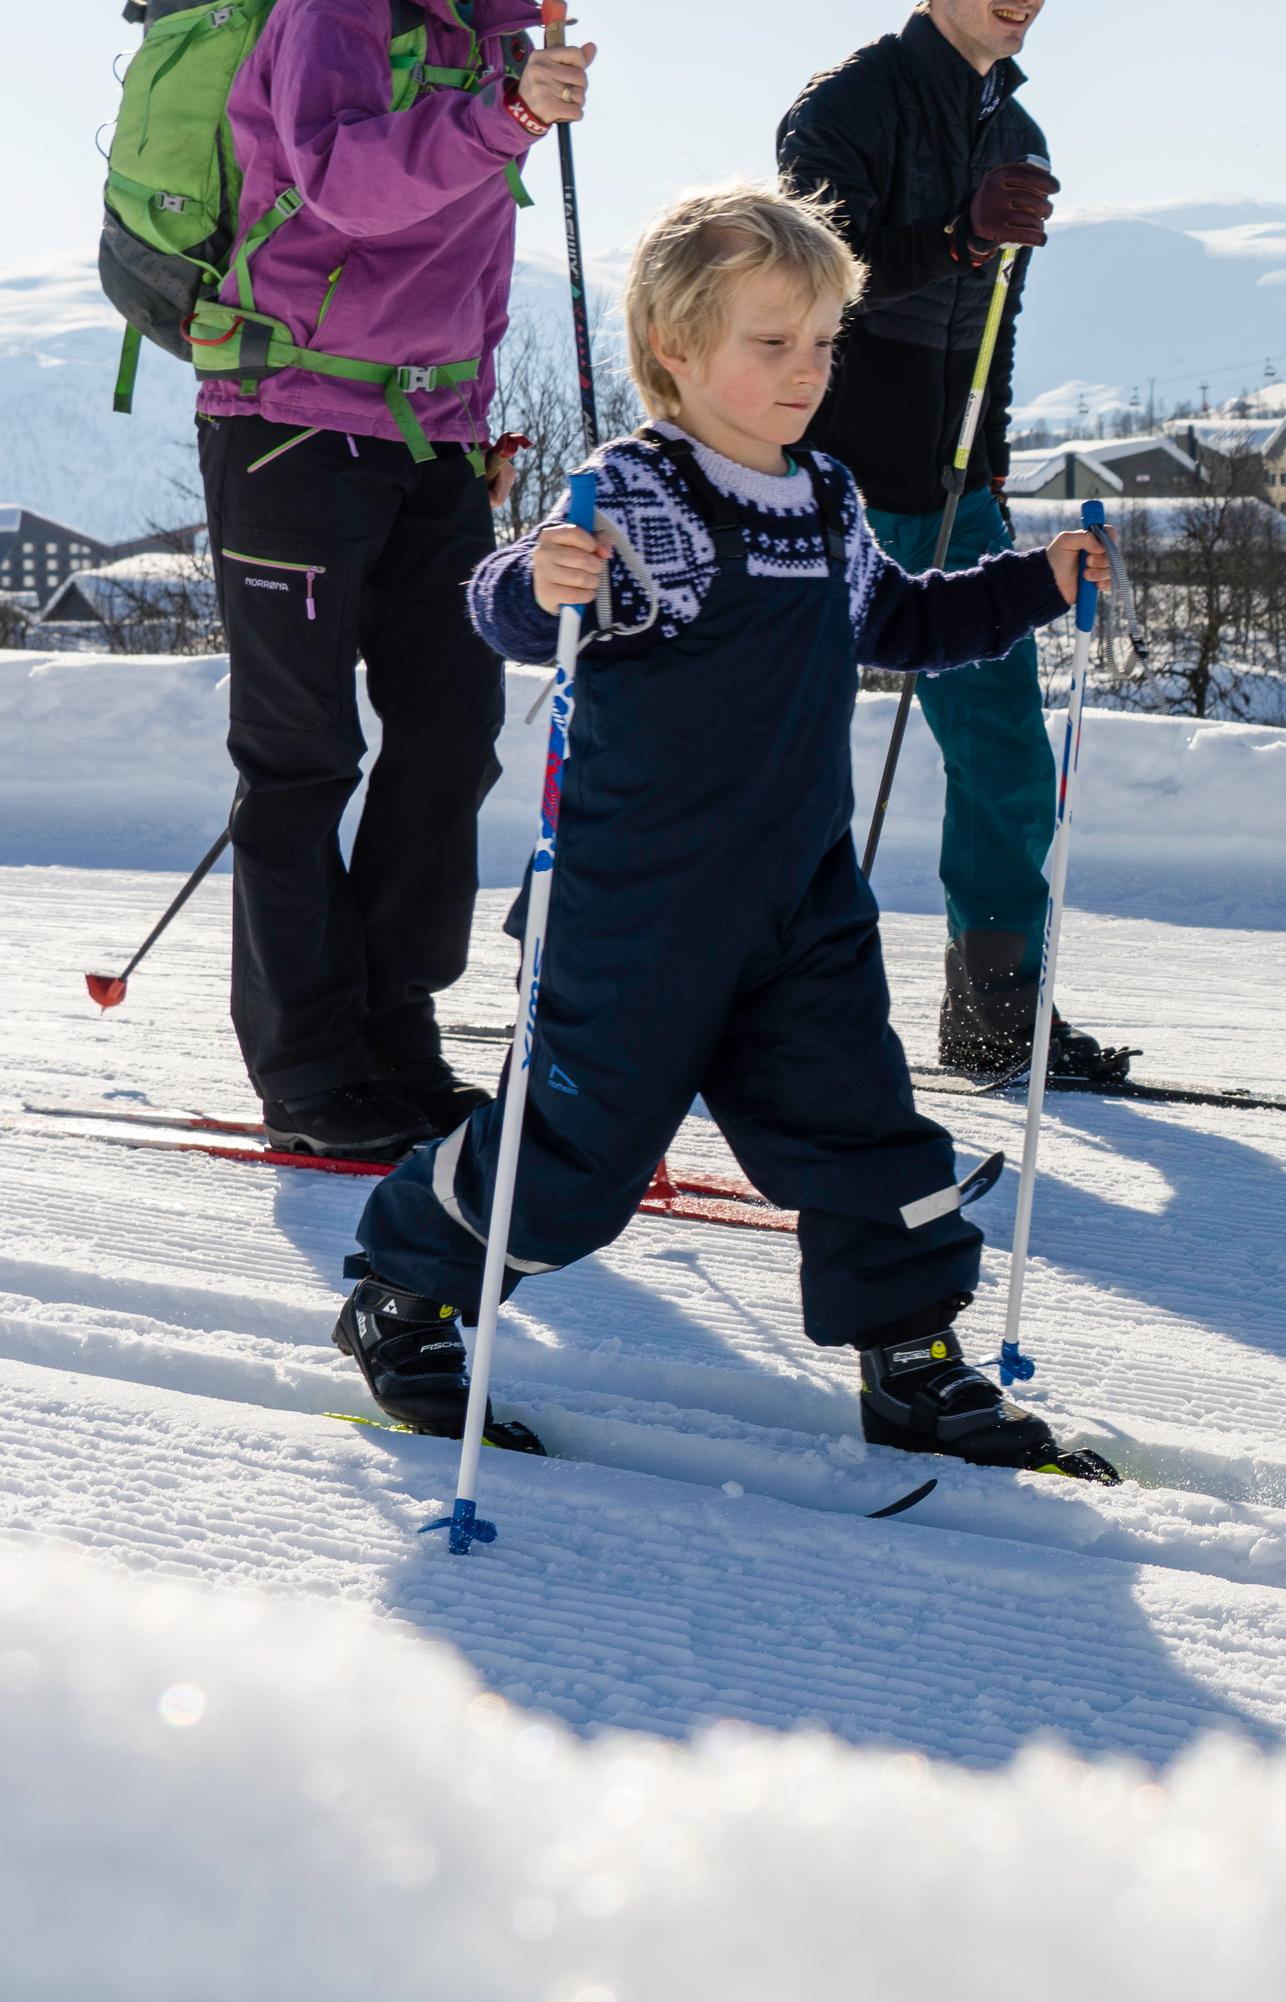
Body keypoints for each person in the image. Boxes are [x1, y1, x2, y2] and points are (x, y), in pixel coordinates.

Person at [333, 182, 1117, 1482]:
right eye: (773, 344)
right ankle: (406, 1290)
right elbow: (508, 608)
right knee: (576, 1161)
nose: (808, 372)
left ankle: (913, 1363)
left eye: (821, 343)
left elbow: (905, 625)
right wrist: (539, 578)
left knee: (863, 1126)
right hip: (634, 910)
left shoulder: (823, 499)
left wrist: (1035, 581)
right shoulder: (633, 494)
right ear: (676, 353)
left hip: (797, 902)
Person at [201, 0, 595, 1160]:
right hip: (289, 426)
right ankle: (308, 1066)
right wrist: (502, 118)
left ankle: (394, 1027)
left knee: (451, 734)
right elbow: (348, 189)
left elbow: (465, 253)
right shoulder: (334, 2)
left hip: (434, 440)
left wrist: (478, 416)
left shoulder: (502, 23)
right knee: (303, 757)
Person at [778, 0, 1132, 1083]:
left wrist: (985, 460)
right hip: (820, 473)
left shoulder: (1016, 135)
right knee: (773, 742)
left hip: (950, 482)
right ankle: (727, 983)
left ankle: (995, 1010)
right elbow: (807, 289)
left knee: (1003, 749)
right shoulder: (846, 105)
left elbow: (995, 322)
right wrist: (959, 237)